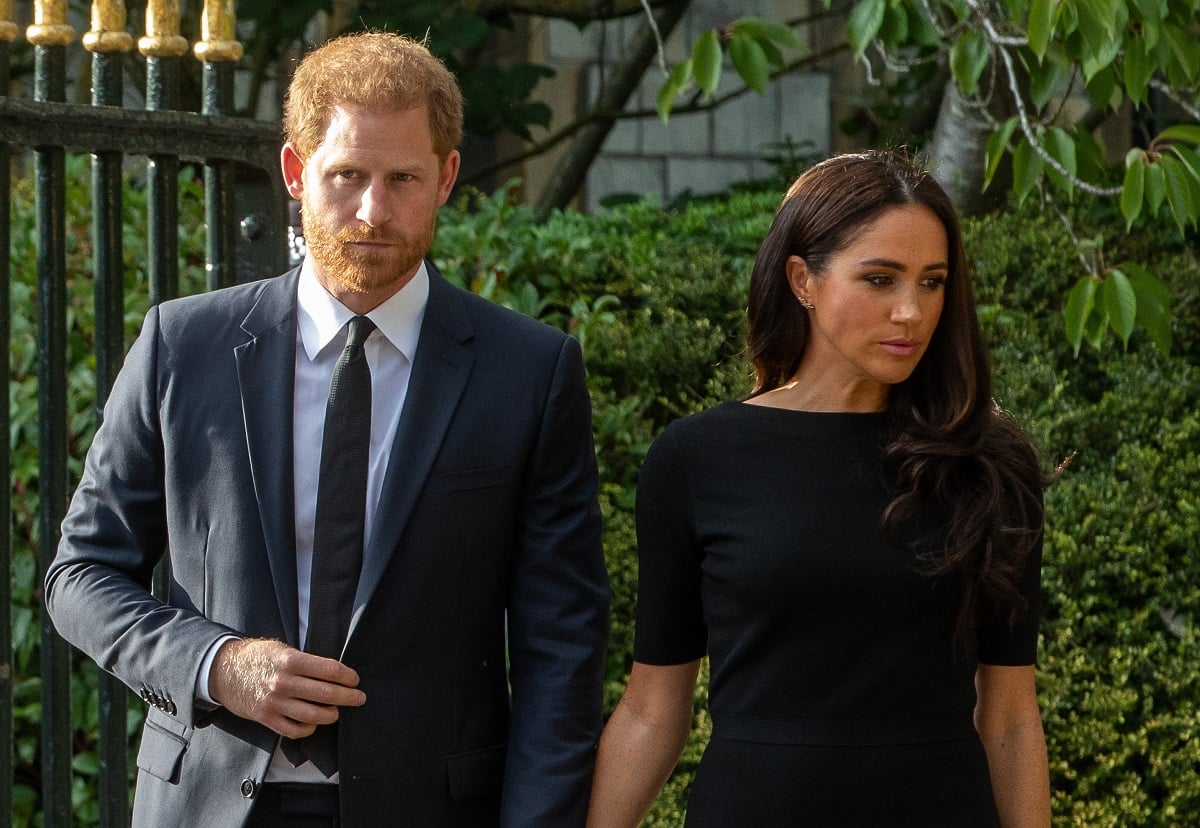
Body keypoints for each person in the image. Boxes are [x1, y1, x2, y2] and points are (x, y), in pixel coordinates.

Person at [46, 31, 610, 828]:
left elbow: (563, 646)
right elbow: (79, 577)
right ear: (295, 171)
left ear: (446, 177)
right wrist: (215, 664)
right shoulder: (184, 346)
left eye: (402, 178)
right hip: (205, 803)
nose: (373, 211)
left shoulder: (530, 371)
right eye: (346, 175)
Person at [586, 150, 1051, 827]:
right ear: (803, 279)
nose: (910, 311)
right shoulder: (696, 459)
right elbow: (654, 708)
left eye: (932, 282)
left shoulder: (989, 462)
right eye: (880, 279)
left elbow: (1009, 717)